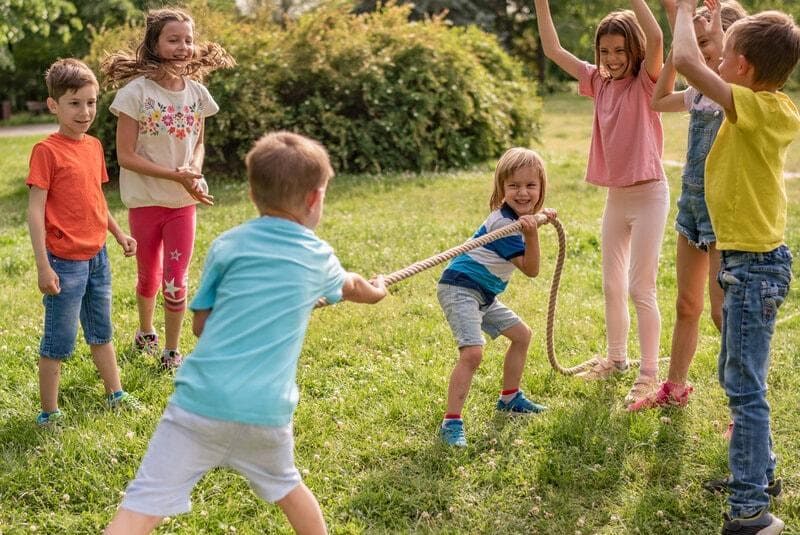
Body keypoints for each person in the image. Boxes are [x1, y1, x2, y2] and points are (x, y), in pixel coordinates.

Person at [104, 131, 387, 535]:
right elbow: (354, 285)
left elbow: (201, 326)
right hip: (265, 413)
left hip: (199, 404)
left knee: (143, 505)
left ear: (252, 194)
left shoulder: (228, 246)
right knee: (289, 487)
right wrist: (375, 291)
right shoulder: (317, 255)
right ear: (313, 199)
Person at [671, 1, 800, 532]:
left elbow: (683, 59)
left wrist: (678, 11)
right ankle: (758, 474)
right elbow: (708, 61)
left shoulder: (759, 109)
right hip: (747, 262)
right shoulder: (764, 104)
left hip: (753, 268)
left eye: (724, 55)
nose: (715, 60)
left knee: (744, 388)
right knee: (740, 375)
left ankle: (751, 512)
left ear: (742, 67)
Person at [532, 0, 668, 404]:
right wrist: (541, 5)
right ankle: (616, 359)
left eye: (620, 51)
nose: (611, 59)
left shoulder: (647, 80)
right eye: (605, 51)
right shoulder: (598, 81)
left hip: (649, 196)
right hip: (616, 199)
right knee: (611, 284)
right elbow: (554, 50)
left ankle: (649, 373)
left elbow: (658, 36)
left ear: (635, 52)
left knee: (640, 288)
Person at [101, 8, 235, 369]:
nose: (182, 47)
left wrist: (193, 170)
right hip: (145, 202)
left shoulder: (198, 95)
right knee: (149, 278)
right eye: (173, 39)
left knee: (176, 280)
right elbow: (125, 156)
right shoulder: (135, 94)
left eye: (188, 40)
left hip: (181, 205)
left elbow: (199, 143)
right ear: (155, 44)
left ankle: (172, 351)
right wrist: (174, 175)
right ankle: (146, 331)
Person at [629, 0, 746, 412]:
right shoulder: (698, 94)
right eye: (694, 44)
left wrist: (700, 33)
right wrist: (680, 56)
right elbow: (659, 100)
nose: (702, 51)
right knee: (685, 304)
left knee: (721, 313)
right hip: (690, 212)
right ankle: (675, 387)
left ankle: (742, 407)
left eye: (708, 43)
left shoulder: (736, 96)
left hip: (720, 215)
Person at [26, 58, 141, 427]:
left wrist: (119, 233)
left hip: (98, 257)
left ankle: (115, 393)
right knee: (58, 340)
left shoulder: (93, 146)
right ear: (53, 106)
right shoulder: (47, 151)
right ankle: (49, 412)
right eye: (74, 103)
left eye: (91, 102)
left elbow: (95, 200)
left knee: (101, 329)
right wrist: (43, 265)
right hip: (64, 263)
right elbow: (34, 212)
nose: (85, 111)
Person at [437, 148, 556, 447]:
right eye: (514, 185)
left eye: (530, 185)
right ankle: (451, 422)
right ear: (501, 189)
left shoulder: (518, 218)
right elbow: (531, 269)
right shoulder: (504, 225)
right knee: (472, 354)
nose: (522, 192)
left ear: (541, 188)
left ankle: (510, 398)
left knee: (521, 335)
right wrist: (532, 234)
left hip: (484, 293)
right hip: (460, 287)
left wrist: (539, 219)